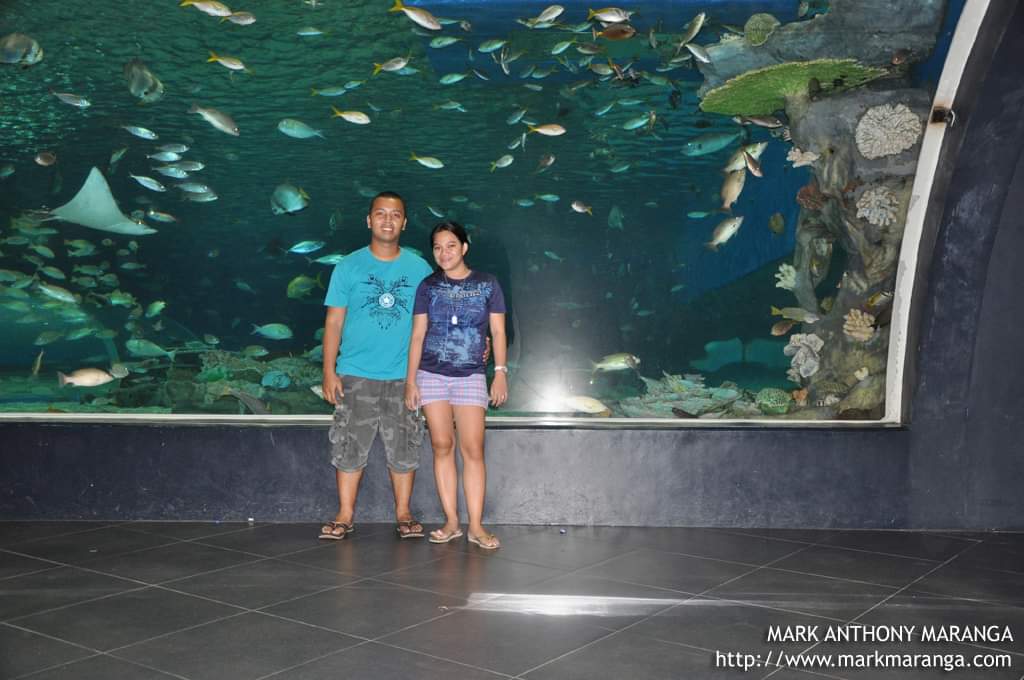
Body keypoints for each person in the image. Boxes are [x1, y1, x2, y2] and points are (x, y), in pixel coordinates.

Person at [319, 191, 434, 540]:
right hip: (355, 373)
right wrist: (328, 370)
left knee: (404, 445)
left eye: (395, 214)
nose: (387, 220)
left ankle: (403, 512)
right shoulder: (348, 266)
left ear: (404, 222)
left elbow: (433, 321)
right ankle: (345, 513)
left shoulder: (419, 268)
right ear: (369, 220)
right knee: (349, 445)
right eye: (380, 214)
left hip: (404, 376)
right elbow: (334, 322)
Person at [405, 221, 508, 550]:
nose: (443, 253)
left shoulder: (488, 284)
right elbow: (418, 335)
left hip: (471, 376)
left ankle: (476, 526)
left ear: (464, 247)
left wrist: (500, 372)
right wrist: (410, 381)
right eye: (437, 247)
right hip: (431, 375)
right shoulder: (427, 286)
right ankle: (451, 521)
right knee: (441, 446)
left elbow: (499, 332)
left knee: (473, 450)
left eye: (450, 245)